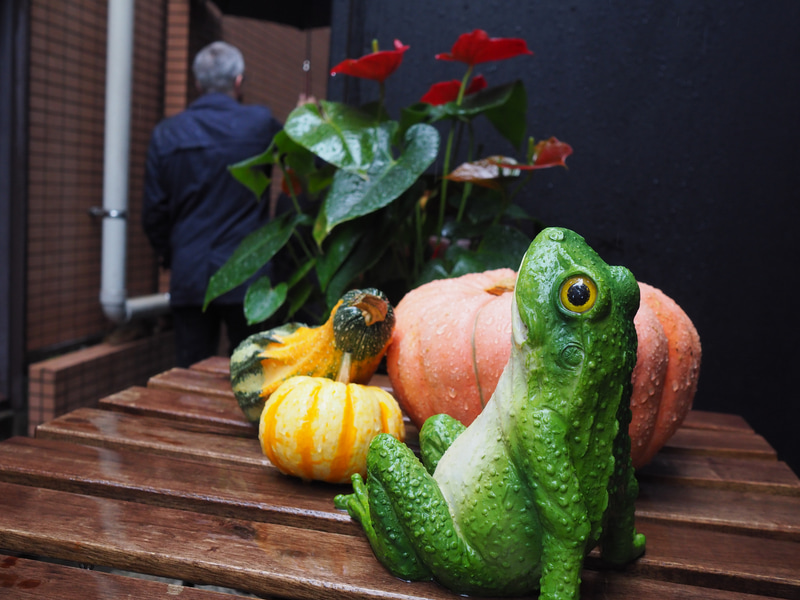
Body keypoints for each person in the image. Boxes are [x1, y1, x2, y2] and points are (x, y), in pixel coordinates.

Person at [142, 41, 282, 368]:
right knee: (251, 374)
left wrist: (171, 252)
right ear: (238, 81)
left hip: (190, 271)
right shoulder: (260, 124)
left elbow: (153, 213)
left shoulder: (167, 133)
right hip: (248, 272)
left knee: (191, 372)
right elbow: (302, 160)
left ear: (197, 83)